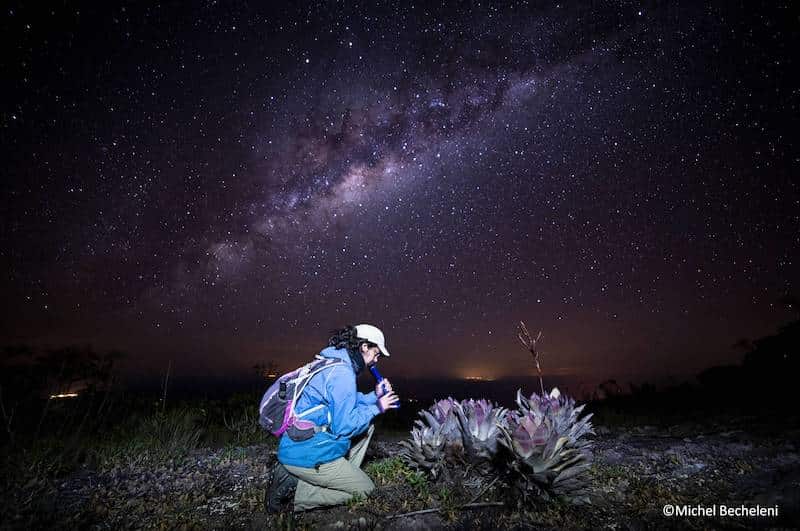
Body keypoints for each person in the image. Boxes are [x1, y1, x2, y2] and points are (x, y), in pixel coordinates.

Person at [265, 323, 400, 513]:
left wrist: (374, 396)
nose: (376, 360)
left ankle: (335, 475)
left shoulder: (333, 362)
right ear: (364, 347)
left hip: (298, 442)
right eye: (376, 354)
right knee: (366, 490)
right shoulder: (342, 373)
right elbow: (343, 428)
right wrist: (378, 407)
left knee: (367, 427)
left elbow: (344, 401)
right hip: (305, 452)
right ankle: (294, 496)